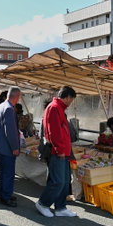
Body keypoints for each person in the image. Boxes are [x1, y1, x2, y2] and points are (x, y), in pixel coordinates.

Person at [35, 86, 77, 218]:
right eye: (71, 100)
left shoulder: (59, 108)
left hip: (64, 151)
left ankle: (60, 207)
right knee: (57, 181)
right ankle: (43, 203)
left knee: (64, 181)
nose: (71, 103)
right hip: (57, 152)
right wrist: (59, 149)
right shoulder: (54, 108)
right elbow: (53, 132)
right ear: (68, 97)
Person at [0, 87, 21, 207]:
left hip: (1, 146)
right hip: (7, 148)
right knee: (8, 173)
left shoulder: (2, 105)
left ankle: (3, 193)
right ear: (17, 97)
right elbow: (10, 131)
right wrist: (15, 147)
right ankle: (5, 196)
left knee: (4, 172)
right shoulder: (9, 109)